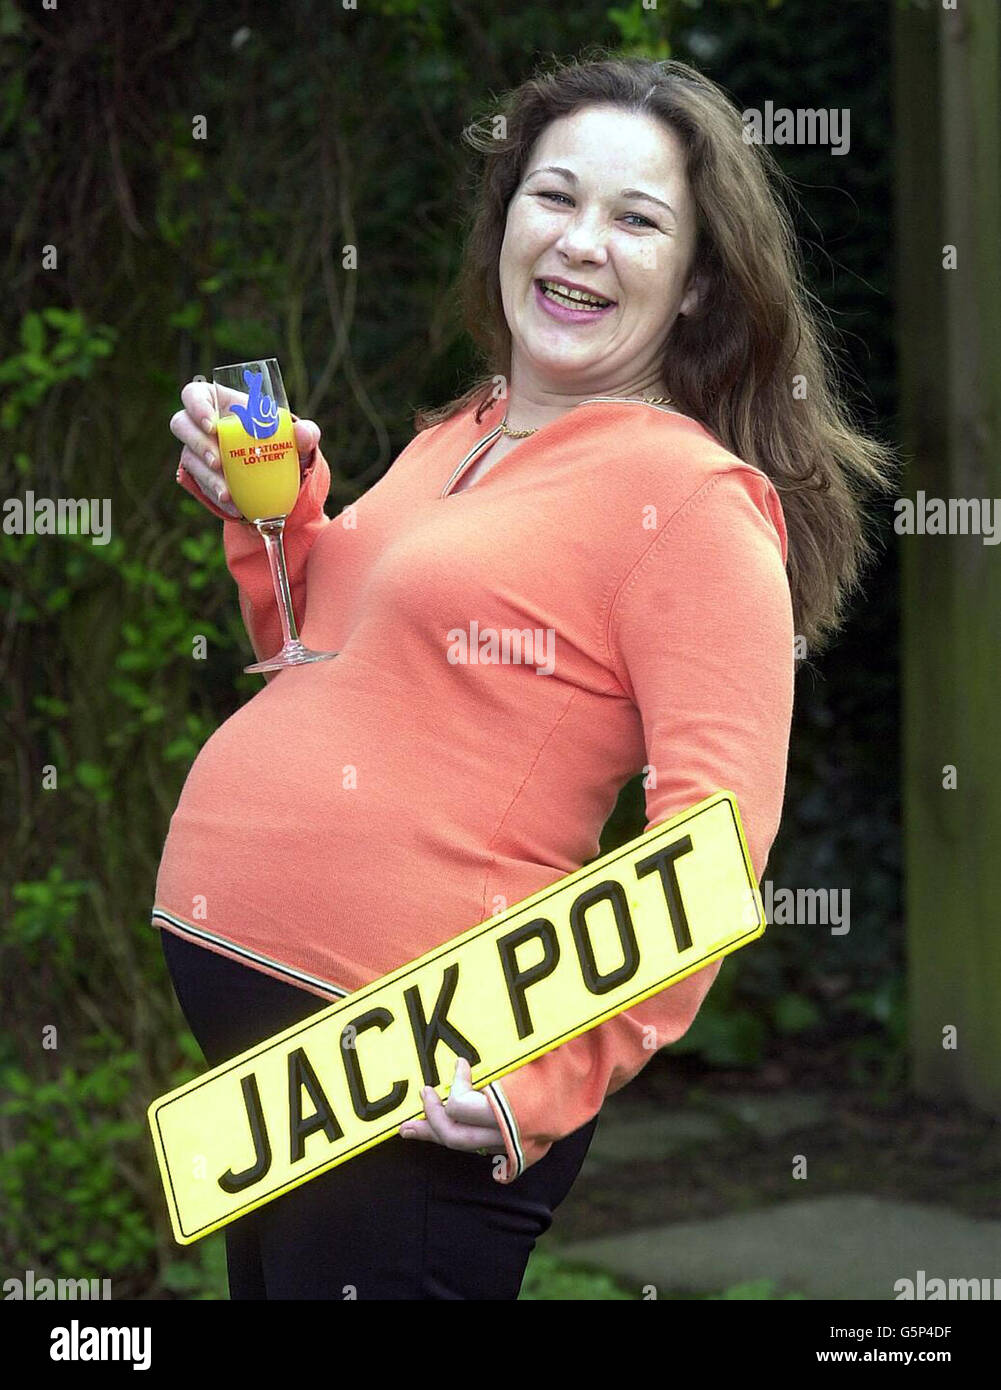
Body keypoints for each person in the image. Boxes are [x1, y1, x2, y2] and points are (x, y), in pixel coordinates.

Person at [155, 54, 897, 1300]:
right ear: (505, 218)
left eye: (637, 219)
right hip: (280, 1082)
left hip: (413, 1071)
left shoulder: (691, 501)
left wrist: (539, 1077)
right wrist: (269, 517)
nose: (581, 242)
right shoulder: (464, 430)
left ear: (697, 281)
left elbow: (714, 845)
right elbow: (319, 657)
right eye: (553, 197)